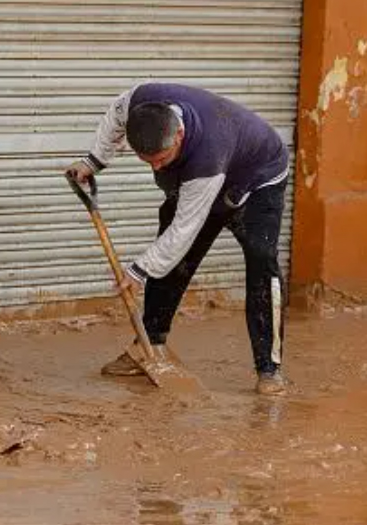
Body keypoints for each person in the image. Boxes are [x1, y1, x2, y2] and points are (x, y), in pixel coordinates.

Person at [66, 82, 291, 396]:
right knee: (171, 261)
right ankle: (149, 347)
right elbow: (114, 117)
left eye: (161, 158)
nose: (156, 168)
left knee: (261, 261)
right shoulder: (138, 102)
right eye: (148, 161)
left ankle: (269, 369)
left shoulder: (207, 156)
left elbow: (185, 229)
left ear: (180, 136)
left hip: (257, 178)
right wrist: (94, 161)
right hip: (202, 176)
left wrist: (138, 271)